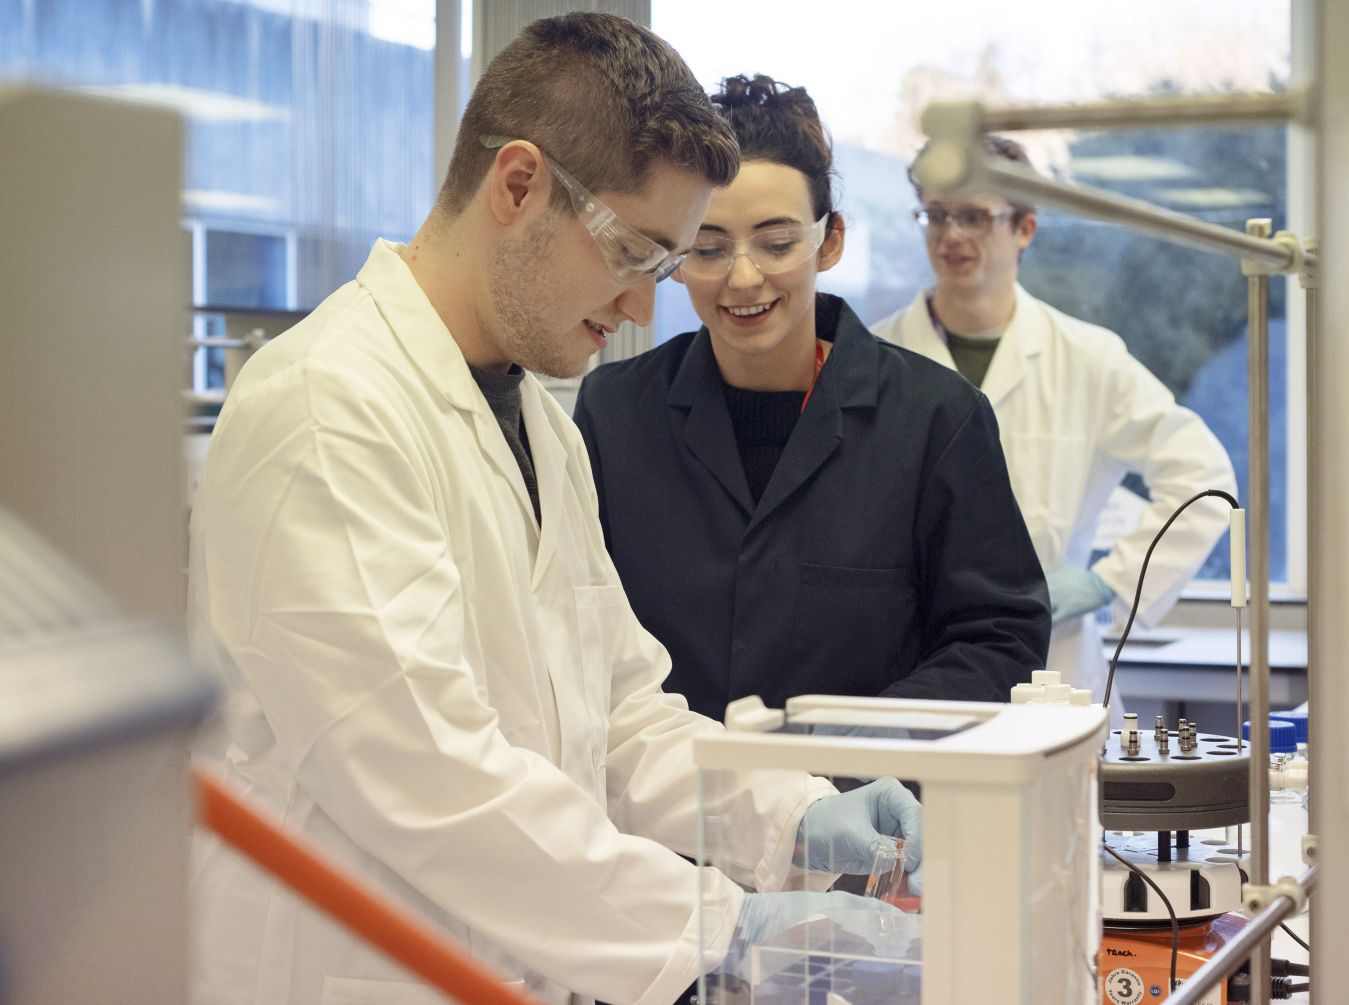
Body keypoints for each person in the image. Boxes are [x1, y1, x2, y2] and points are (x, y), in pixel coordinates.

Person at [187, 17, 916, 1005]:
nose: (641, 309)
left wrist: (790, 818)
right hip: (349, 971)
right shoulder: (326, 406)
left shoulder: (540, 419)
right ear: (519, 184)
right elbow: (425, 774)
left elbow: (618, 721)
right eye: (635, 253)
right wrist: (719, 923)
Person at [572, 76, 1048, 729]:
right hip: (658, 821)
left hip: (864, 810)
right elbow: (573, 633)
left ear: (830, 242)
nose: (744, 277)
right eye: (709, 247)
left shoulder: (937, 421)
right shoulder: (614, 415)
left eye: (776, 242)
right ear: (677, 255)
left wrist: (855, 743)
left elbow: (1000, 642)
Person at [874, 135, 1237, 715]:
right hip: (911, 670)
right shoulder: (876, 358)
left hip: (1054, 676)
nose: (951, 236)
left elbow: (1204, 478)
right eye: (936, 215)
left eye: (974, 216)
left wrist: (1109, 582)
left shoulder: (1087, 358)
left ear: (1025, 228)